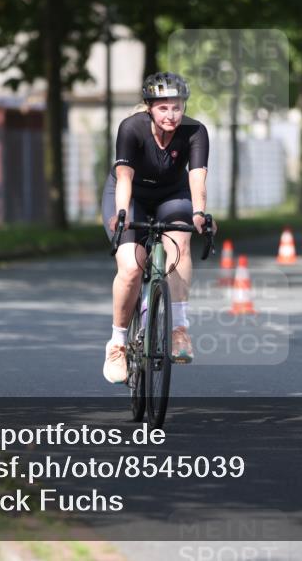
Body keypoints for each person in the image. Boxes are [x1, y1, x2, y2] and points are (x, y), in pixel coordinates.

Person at [101, 71, 214, 384]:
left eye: (177, 107)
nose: (171, 114)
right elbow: (124, 177)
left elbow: (197, 178)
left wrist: (200, 211)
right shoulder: (131, 128)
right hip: (130, 194)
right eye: (163, 108)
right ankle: (118, 344)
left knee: (180, 243)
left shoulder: (195, 131)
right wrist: (122, 213)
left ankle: (179, 329)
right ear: (149, 106)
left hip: (171, 194)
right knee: (132, 267)